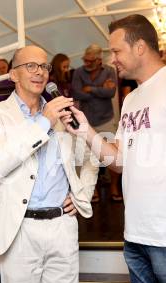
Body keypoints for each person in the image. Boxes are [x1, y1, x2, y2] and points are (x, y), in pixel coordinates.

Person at [63, 14, 166, 283]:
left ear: (140, 47)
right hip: (135, 237)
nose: (113, 59)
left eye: (116, 51)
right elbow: (119, 162)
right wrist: (85, 131)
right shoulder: (132, 98)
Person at [0, 45, 98, 283]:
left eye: (44, 66)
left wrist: (82, 194)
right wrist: (44, 122)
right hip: (18, 228)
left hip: (62, 226)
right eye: (30, 66)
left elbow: (92, 156)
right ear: (13, 75)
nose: (40, 72)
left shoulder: (64, 114)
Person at [72, 44, 121, 202]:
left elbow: (111, 92)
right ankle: (93, 190)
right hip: (86, 121)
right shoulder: (78, 72)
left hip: (106, 119)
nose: (87, 63)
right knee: (89, 158)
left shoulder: (109, 70)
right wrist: (100, 88)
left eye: (90, 60)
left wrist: (91, 89)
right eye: (85, 59)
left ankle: (114, 187)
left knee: (112, 155)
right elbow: (77, 92)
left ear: (99, 60)